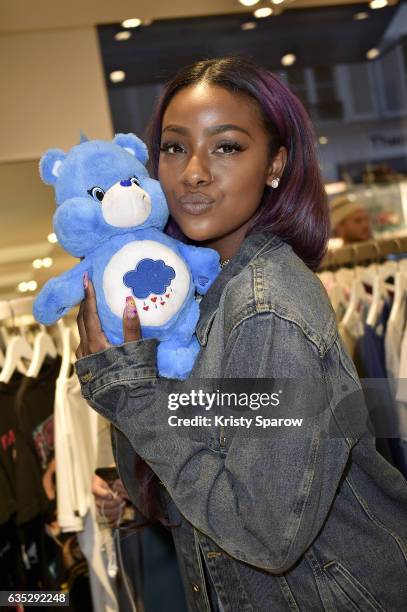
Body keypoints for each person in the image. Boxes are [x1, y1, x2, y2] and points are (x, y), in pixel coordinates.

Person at [74, 57, 407, 611]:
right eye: (175, 148)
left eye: (226, 147)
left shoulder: (265, 309)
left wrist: (130, 395)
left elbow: (265, 535)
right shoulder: (201, 301)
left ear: (276, 164)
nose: (194, 172)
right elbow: (210, 477)